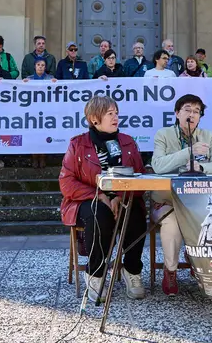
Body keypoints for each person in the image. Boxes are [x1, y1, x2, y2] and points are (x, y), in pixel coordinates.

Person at [59, 96, 147, 302]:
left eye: (116, 113)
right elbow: (67, 183)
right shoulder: (78, 144)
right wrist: (99, 196)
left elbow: (140, 176)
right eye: (110, 114)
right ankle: (95, 274)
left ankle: (132, 271)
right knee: (101, 215)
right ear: (94, 118)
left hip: (124, 197)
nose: (116, 117)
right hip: (86, 201)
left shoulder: (127, 142)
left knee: (135, 215)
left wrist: (117, 196)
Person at [151, 94, 212, 295]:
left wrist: (201, 166)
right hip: (167, 200)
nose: (192, 114)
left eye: (196, 111)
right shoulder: (163, 134)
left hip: (197, 201)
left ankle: (199, 264)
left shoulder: (207, 136)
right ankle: (171, 270)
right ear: (177, 113)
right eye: (187, 110)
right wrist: (187, 154)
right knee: (172, 223)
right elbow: (157, 166)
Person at [23, 58, 57, 168]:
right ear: (35, 66)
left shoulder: (50, 78)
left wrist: (56, 83)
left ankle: (42, 157)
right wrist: (23, 84)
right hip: (33, 111)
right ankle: (34, 157)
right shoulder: (29, 79)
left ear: (45, 67)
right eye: (38, 64)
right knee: (33, 134)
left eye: (43, 65)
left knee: (44, 133)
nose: (41, 67)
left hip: (46, 111)